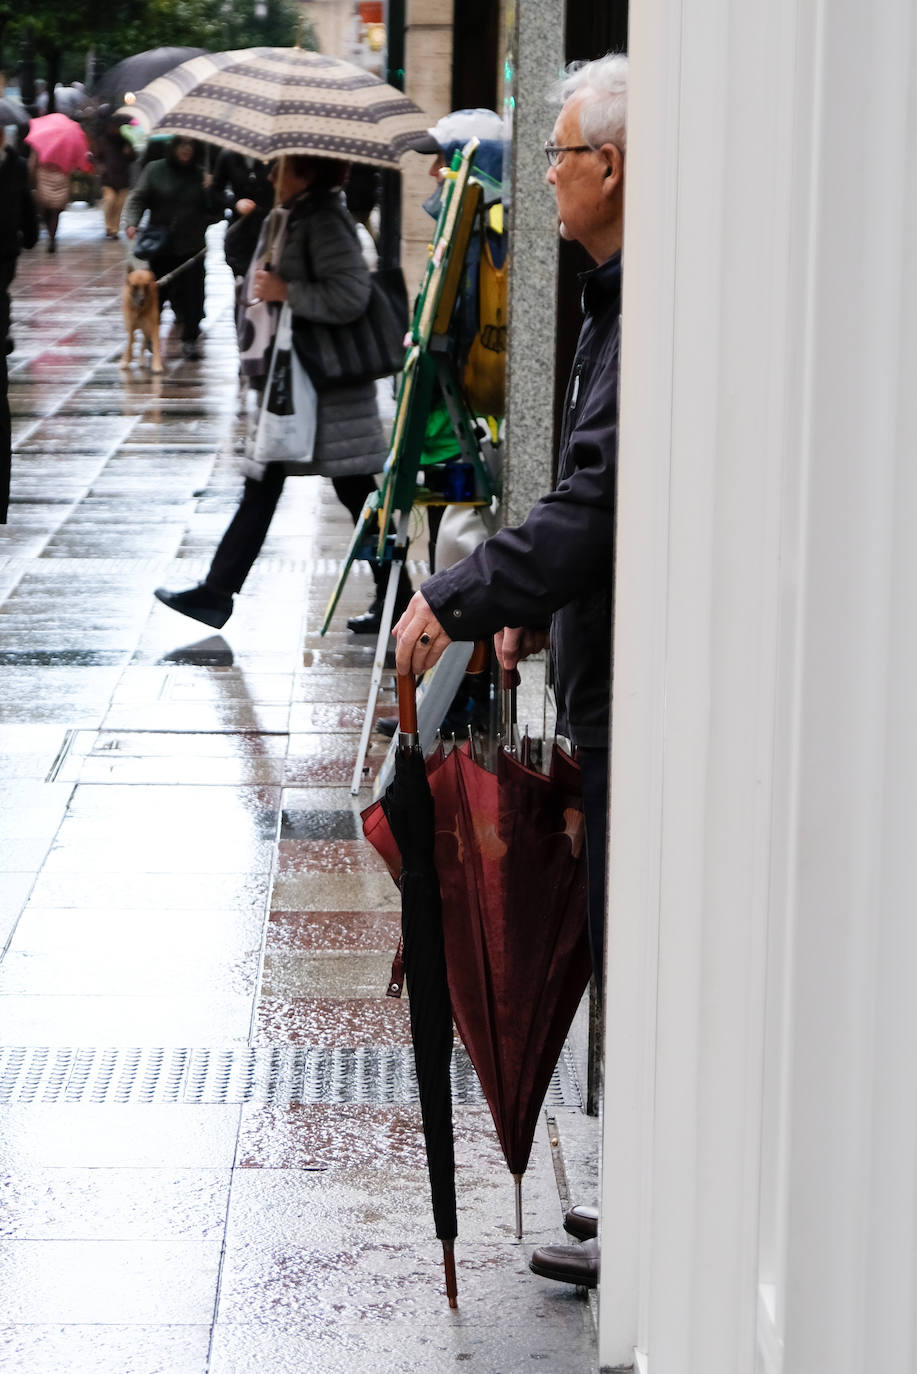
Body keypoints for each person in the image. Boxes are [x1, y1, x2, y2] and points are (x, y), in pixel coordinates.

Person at [393, 52, 628, 1291]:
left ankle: (652, 1216)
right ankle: (643, 1190)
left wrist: (462, 594)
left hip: (636, 697)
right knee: (618, 943)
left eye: (557, 155)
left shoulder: (639, 309)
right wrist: (528, 617)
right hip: (597, 671)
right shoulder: (613, 296)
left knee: (633, 948)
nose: (540, 176)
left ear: (614, 168)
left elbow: (598, 503)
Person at [153, 154, 399, 631]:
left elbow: (351, 295)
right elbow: (242, 262)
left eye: (279, 168)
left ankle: (399, 598)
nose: (269, 176)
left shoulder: (325, 221)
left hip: (322, 386)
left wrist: (288, 291)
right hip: (297, 381)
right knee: (280, 485)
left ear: (305, 173)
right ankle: (217, 592)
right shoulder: (288, 216)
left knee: (350, 492)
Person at [123, 137, 220, 359]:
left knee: (193, 297)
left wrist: (210, 190)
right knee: (156, 294)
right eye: (182, 145)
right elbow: (138, 198)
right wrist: (132, 222)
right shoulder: (155, 170)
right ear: (173, 147)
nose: (186, 149)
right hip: (161, 246)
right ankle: (150, 335)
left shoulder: (200, 174)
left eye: (190, 145)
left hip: (192, 247)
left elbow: (214, 212)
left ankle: (190, 339)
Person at [0, 125, 37, 355]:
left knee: (0, 292)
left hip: (5, 247)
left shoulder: (17, 166)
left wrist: (30, 233)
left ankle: (2, 331)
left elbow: (26, 202)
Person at [95, 115, 135, 240]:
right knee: (109, 200)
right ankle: (108, 227)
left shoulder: (126, 142)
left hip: (123, 179)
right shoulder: (103, 141)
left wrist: (129, 153)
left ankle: (114, 229)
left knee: (119, 205)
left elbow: (132, 158)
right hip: (108, 179)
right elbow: (97, 157)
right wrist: (100, 167)